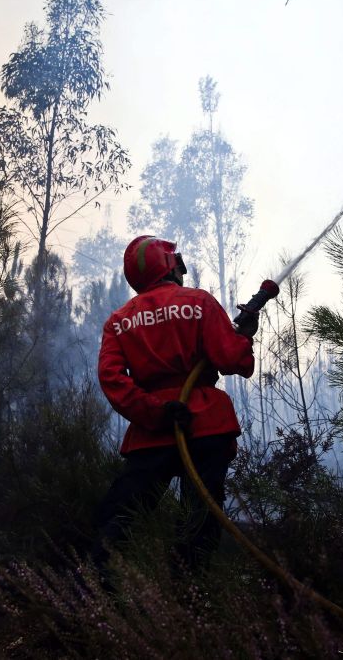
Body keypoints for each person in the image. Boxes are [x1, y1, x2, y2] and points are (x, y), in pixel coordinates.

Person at [92, 235, 258, 576]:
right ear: (170, 266)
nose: (182, 270)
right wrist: (243, 337)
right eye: (178, 262)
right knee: (200, 518)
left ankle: (97, 587)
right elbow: (233, 361)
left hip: (152, 431)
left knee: (121, 516)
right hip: (206, 424)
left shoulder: (119, 321)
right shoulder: (199, 302)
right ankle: (190, 589)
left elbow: (111, 378)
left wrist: (155, 411)